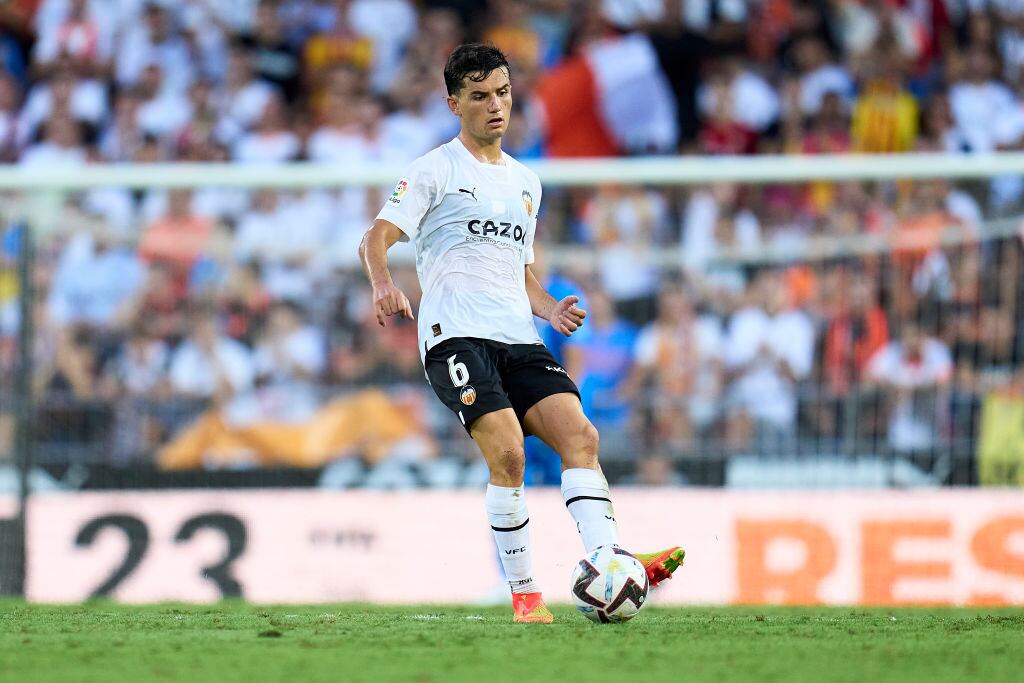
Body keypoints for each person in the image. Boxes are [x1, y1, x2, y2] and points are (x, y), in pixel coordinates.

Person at [358, 44, 683, 624]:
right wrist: (384, 284)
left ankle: (611, 560)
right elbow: (375, 237)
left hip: (519, 337)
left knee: (580, 437)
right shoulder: (434, 169)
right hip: (455, 336)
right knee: (508, 453)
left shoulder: (527, 182)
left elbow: (519, 266)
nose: (495, 106)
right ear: (454, 103)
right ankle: (526, 594)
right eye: (480, 96)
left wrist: (548, 308)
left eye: (503, 93)